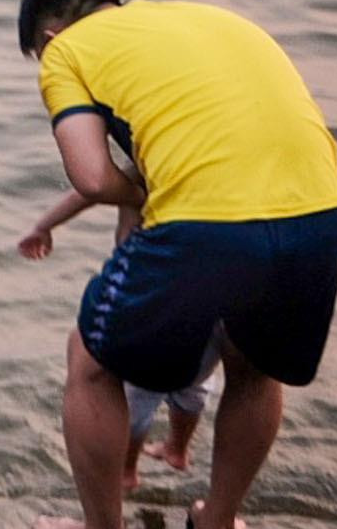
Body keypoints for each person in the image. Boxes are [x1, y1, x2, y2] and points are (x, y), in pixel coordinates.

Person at [17, 0, 337, 529]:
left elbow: (91, 177)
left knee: (91, 362)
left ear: (52, 34)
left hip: (207, 219)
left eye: (38, 52)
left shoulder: (69, 52)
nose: (44, 65)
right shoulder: (216, 19)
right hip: (322, 210)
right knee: (254, 365)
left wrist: (145, 192)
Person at [17, 186, 225, 490]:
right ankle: (177, 449)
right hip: (208, 292)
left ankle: (127, 470)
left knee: (138, 393)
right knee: (195, 380)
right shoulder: (205, 172)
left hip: (149, 291)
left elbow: (88, 191)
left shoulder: (143, 168)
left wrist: (43, 226)